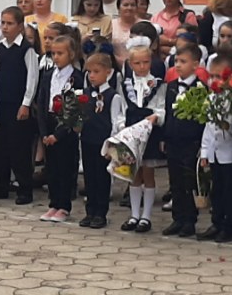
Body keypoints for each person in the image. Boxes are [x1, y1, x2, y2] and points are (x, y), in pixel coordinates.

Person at [0, 7, 38, 205]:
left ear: (20, 26)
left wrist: (25, 103)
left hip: (18, 105)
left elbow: (32, 78)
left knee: (19, 148)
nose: (5, 27)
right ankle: (0, 185)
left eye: (10, 23)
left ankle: (25, 189)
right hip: (2, 103)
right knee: (0, 146)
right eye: (3, 23)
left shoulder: (26, 49)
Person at [196, 46, 232, 244]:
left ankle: (228, 226)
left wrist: (229, 126)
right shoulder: (211, 98)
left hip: (229, 152)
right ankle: (216, 222)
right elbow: (208, 128)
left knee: (228, 191)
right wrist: (205, 152)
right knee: (216, 190)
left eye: (219, 77)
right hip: (215, 153)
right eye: (212, 76)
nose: (214, 81)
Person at [118, 41, 167, 232]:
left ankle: (146, 216)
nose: (142, 66)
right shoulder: (125, 84)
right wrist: (121, 127)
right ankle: (134, 215)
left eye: (145, 62)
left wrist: (156, 117)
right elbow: (122, 109)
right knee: (133, 174)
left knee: (148, 172)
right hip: (131, 131)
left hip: (149, 131)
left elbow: (161, 107)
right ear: (131, 64)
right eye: (137, 63)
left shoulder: (158, 84)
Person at [160, 42, 207, 239]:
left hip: (190, 142)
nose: (178, 65)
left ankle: (189, 220)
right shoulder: (171, 87)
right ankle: (177, 218)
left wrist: (200, 144)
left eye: (183, 61)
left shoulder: (201, 88)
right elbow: (167, 113)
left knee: (189, 182)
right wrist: (164, 136)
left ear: (195, 64)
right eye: (176, 61)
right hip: (173, 140)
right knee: (175, 181)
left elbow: (203, 119)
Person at [36, 31, 83, 224]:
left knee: (65, 167)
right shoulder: (48, 75)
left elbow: (75, 109)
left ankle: (64, 205)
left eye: (60, 53)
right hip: (49, 122)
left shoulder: (77, 78)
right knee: (52, 168)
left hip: (66, 127)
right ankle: (53, 203)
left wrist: (58, 133)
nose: (56, 57)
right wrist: (43, 132)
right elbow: (41, 102)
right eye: (53, 53)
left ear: (71, 54)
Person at [78, 49, 118, 229]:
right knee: (90, 177)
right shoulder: (86, 93)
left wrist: (111, 145)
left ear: (108, 72)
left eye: (96, 71)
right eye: (89, 72)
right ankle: (90, 211)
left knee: (102, 178)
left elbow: (115, 122)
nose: (92, 76)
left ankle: (101, 213)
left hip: (103, 143)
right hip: (87, 140)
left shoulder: (113, 96)